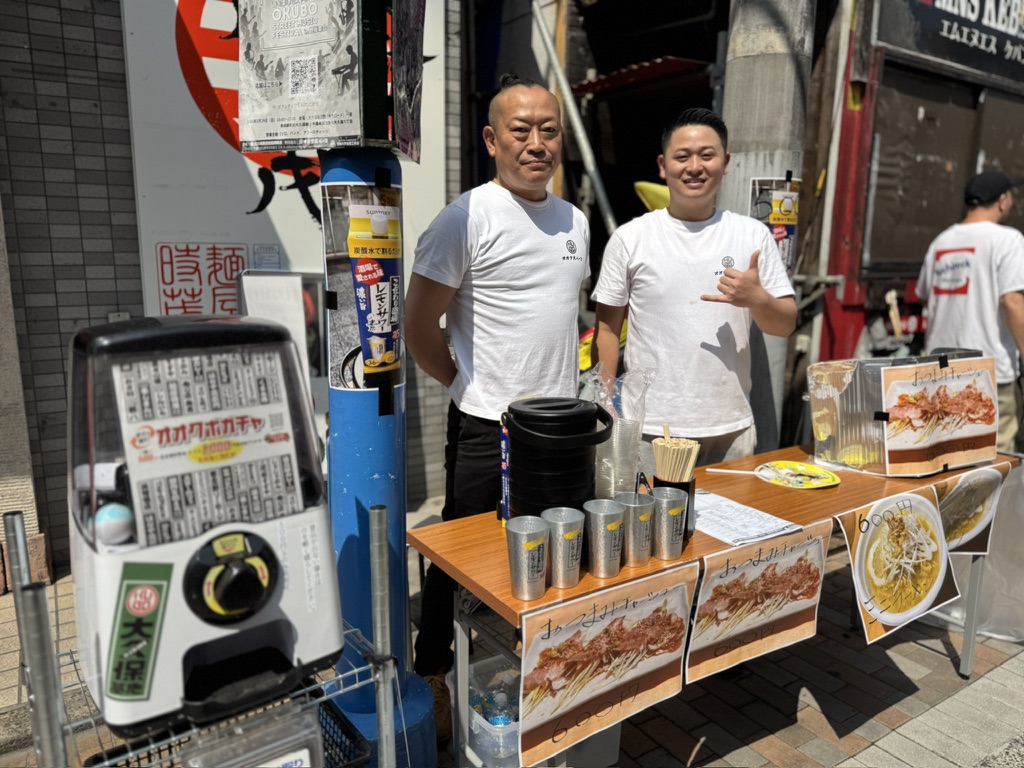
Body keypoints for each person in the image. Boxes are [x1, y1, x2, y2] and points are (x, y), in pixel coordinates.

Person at [404, 74, 590, 698]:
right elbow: (416, 324)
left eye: (549, 130)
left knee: (554, 550)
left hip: (561, 427)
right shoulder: (467, 217)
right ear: (491, 139)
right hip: (488, 425)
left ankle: (544, 668)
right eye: (521, 130)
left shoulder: (575, 221)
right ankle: (430, 671)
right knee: (458, 550)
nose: (536, 143)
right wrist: (468, 385)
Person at [591, 108, 796, 465]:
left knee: (731, 521)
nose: (695, 166)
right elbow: (607, 328)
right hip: (648, 430)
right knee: (651, 522)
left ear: (726, 162)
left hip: (730, 430)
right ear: (662, 165)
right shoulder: (631, 238)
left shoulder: (752, 235)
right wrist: (605, 404)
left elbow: (784, 324)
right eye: (682, 156)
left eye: (707, 155)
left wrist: (757, 299)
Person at [915, 171, 1024, 454]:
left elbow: (926, 296)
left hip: (940, 374)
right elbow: (1012, 301)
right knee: (993, 463)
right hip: (988, 376)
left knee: (946, 457)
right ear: (1002, 200)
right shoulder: (1008, 240)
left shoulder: (940, 242)